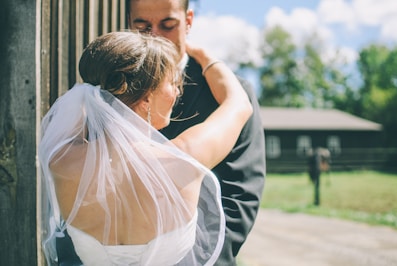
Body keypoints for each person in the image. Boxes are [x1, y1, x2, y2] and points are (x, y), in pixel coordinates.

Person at [39, 31, 253, 265]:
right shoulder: (185, 158)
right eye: (172, 83)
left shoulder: (61, 161)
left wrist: (93, 94)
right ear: (147, 99)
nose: (177, 91)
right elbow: (239, 104)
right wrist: (201, 54)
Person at [127, 0, 266, 265]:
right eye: (142, 26)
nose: (155, 36)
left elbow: (240, 194)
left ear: (188, 21)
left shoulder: (230, 93)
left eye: (168, 25)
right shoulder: (112, 89)